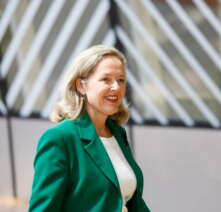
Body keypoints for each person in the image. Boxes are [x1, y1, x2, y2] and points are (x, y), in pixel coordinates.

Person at [29, 45, 150, 212]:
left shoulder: (117, 133)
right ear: (81, 86)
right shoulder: (59, 139)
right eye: (106, 79)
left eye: (121, 80)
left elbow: (131, 201)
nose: (116, 87)